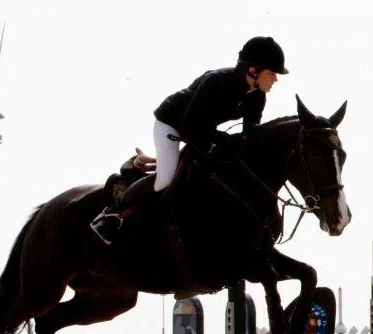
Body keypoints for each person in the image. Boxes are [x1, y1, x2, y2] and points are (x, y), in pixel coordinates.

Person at [91, 36, 288, 244]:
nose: (275, 79)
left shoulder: (257, 95)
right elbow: (191, 128)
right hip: (172, 124)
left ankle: (145, 162)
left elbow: (250, 133)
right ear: (253, 70)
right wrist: (225, 140)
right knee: (165, 179)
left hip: (200, 128)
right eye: (272, 72)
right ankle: (112, 214)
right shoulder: (217, 81)